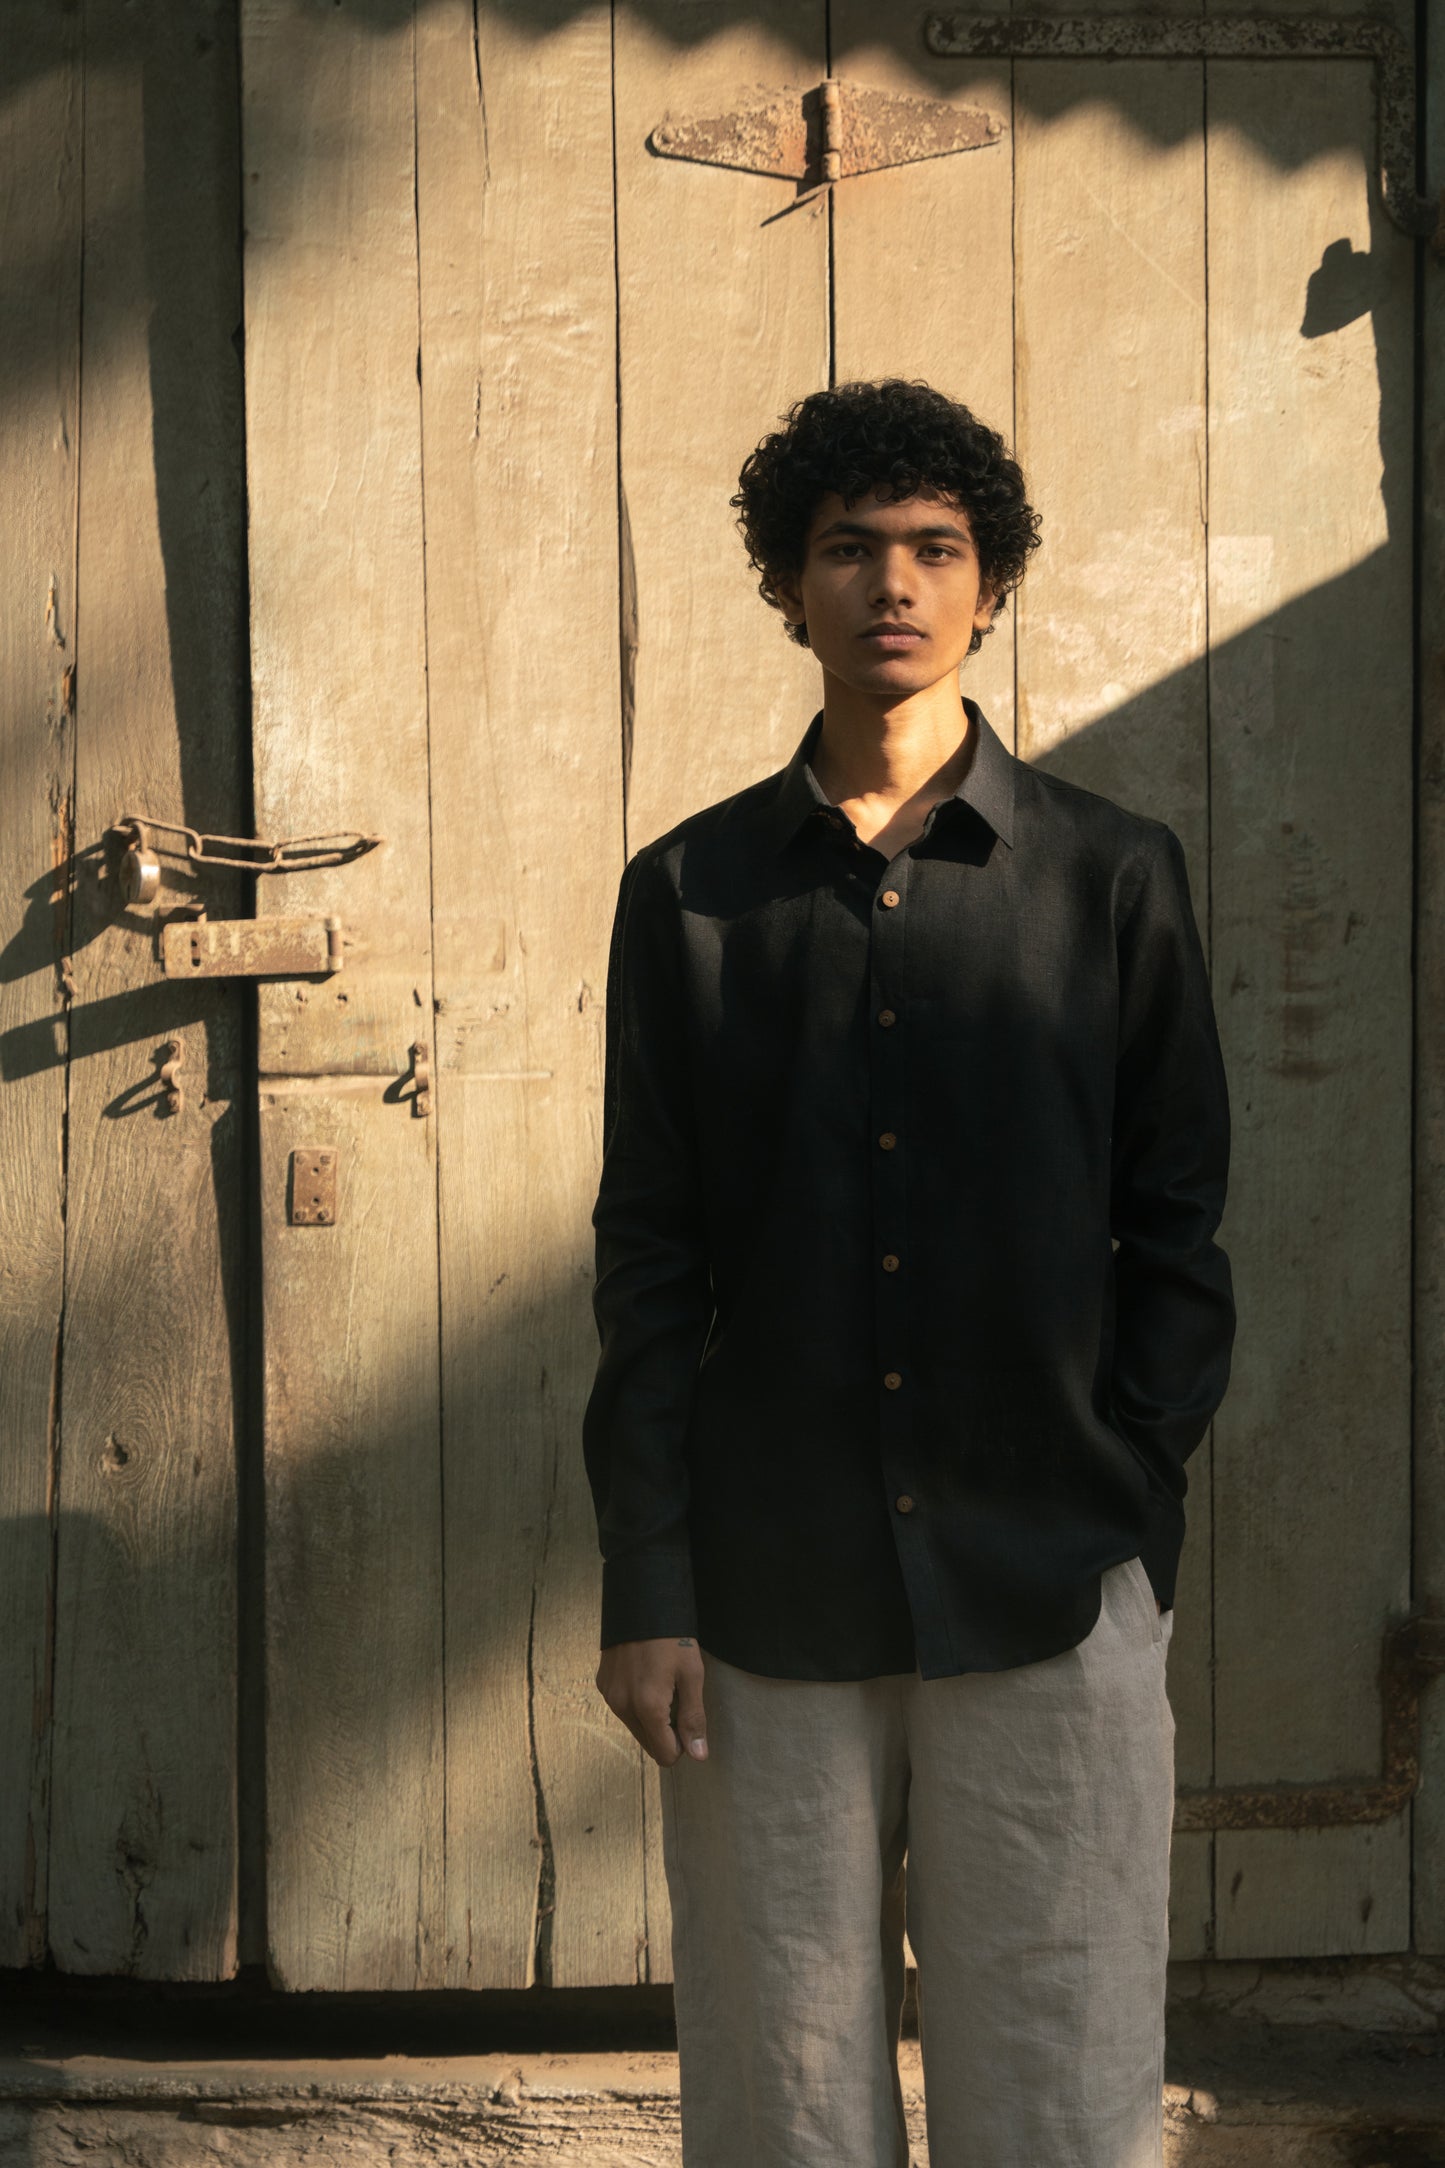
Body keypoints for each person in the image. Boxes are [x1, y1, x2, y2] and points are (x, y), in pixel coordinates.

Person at [582, 377, 1234, 2168]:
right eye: (848, 548)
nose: (893, 581)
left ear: (989, 586)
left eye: (935, 548)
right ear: (787, 588)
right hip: (761, 1592)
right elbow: (649, 1258)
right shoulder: (690, 891)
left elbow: (1175, 1225)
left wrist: (1132, 1495)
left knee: (1062, 2057)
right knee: (782, 2083)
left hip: (1051, 1570)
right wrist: (648, 1578)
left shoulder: (1109, 878)